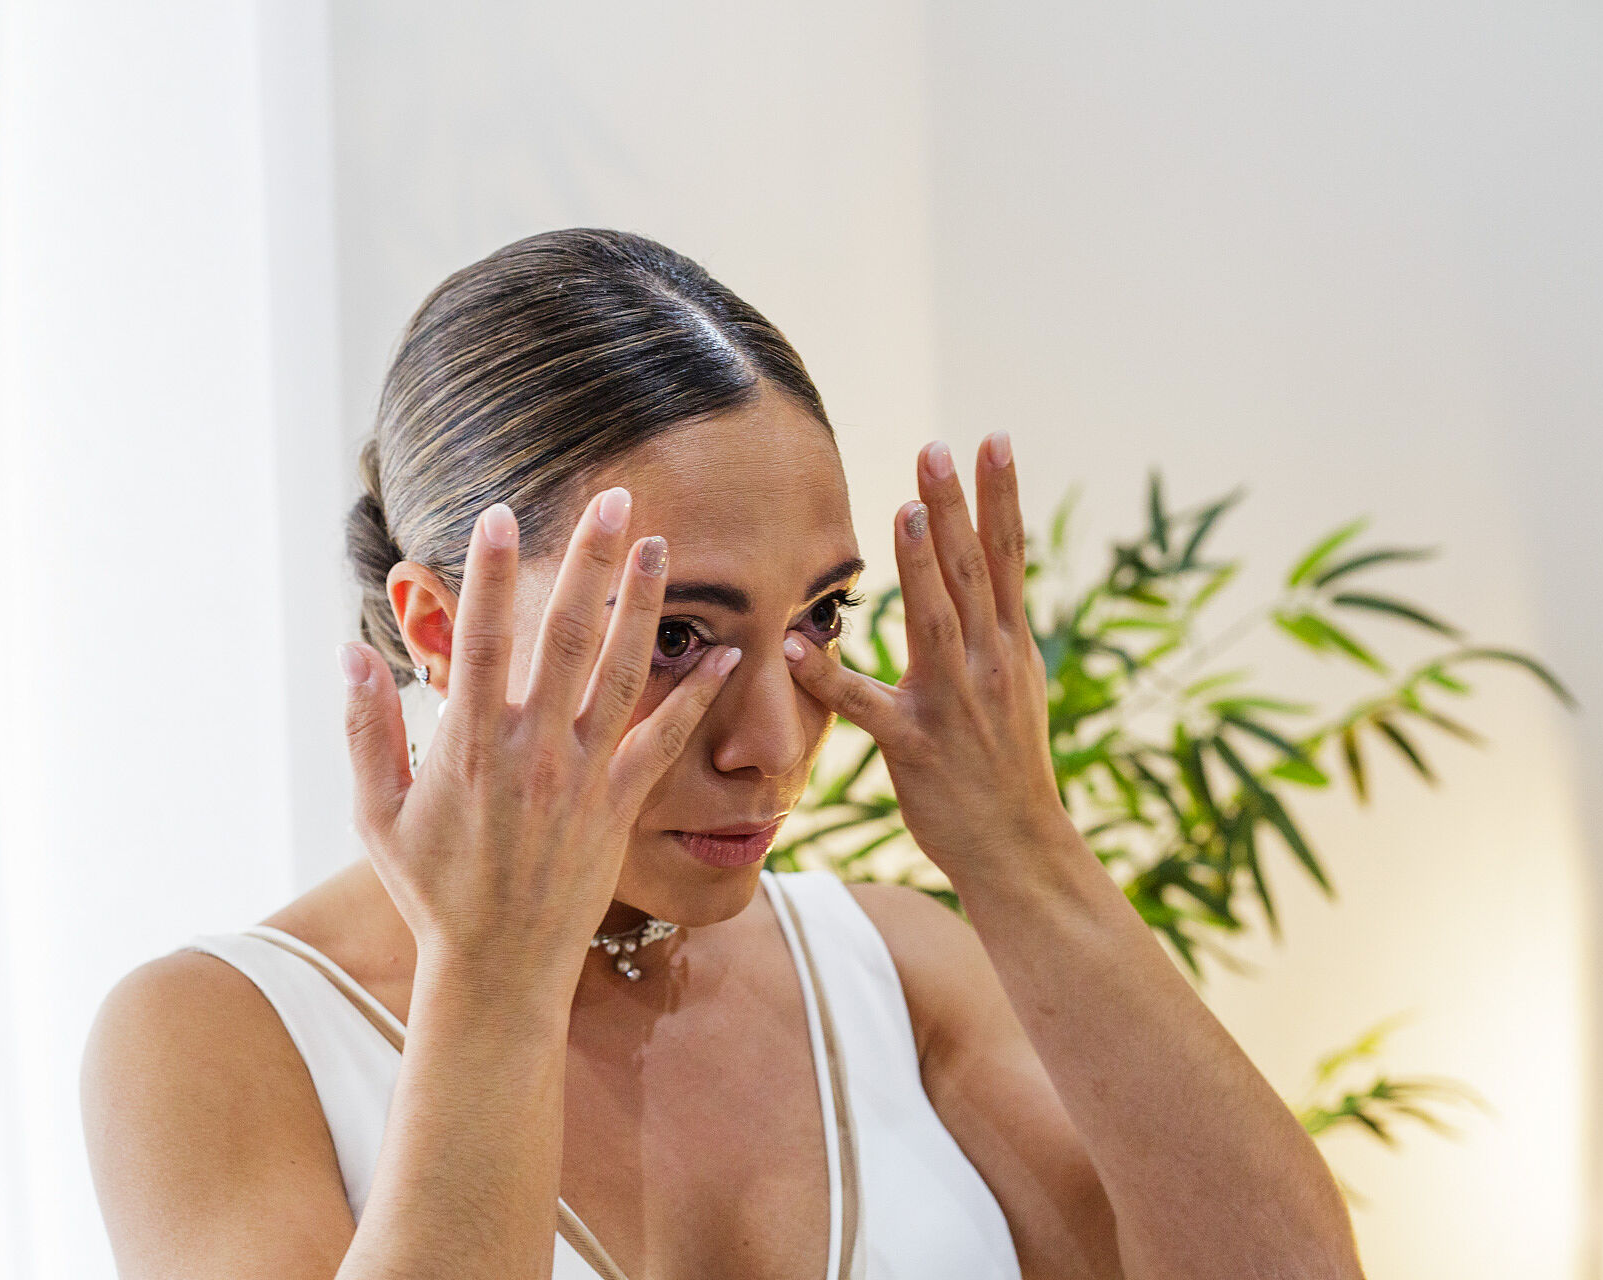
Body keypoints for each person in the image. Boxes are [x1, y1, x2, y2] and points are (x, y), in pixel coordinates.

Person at [80, 228, 1365, 1280]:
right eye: (677, 632)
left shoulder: (895, 967)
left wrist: (1022, 848)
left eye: (817, 616)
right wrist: (497, 969)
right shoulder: (211, 1038)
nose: (770, 745)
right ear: (439, 624)